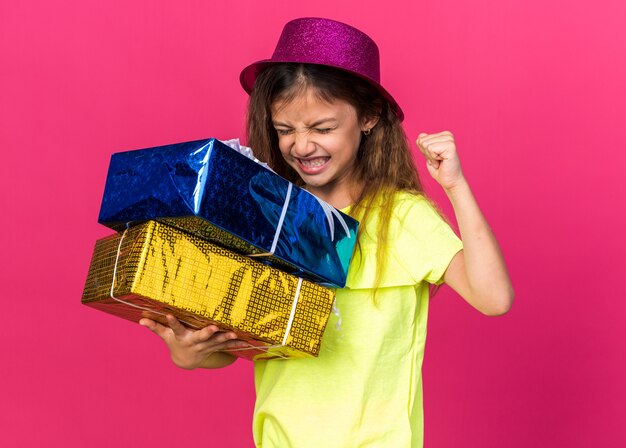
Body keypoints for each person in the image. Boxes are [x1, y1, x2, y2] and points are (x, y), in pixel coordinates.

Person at [139, 17, 513, 447]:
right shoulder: (270, 214)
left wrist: (456, 186)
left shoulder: (401, 217)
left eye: (323, 128)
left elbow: (493, 298)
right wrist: (191, 353)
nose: (302, 145)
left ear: (369, 117)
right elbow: (244, 339)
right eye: (285, 130)